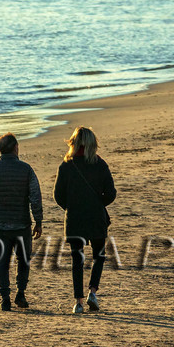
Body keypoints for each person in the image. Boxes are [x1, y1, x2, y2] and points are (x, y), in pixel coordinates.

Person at [53, 126, 116, 315]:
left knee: (77, 259)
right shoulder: (100, 164)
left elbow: (58, 195)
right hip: (96, 217)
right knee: (99, 256)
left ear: (73, 142)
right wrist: (98, 204)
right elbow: (111, 194)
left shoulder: (66, 165)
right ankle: (93, 292)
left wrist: (71, 207)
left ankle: (78, 302)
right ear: (92, 144)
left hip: (75, 219)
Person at [0, 133, 42, 312]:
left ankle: (5, 298)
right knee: (23, 260)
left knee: (2, 262)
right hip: (22, 224)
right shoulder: (26, 169)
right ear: (16, 148)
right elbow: (35, 197)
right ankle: (20, 294)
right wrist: (38, 220)